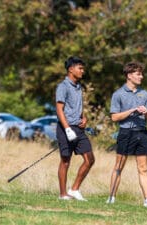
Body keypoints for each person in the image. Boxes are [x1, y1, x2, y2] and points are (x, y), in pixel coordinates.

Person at [106, 61, 147, 208]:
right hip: (125, 133)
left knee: (143, 168)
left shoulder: (145, 94)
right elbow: (114, 117)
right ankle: (111, 198)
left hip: (142, 133)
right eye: (138, 74)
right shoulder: (118, 94)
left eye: (141, 74)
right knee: (119, 167)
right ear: (129, 75)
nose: (141, 77)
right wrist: (132, 111)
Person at [55, 56, 95, 200]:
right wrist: (67, 129)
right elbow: (59, 109)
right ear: (71, 69)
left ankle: (74, 189)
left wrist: (84, 119)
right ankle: (63, 194)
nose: (82, 71)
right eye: (80, 68)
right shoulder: (63, 87)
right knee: (66, 160)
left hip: (78, 128)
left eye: (83, 68)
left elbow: (78, 107)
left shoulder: (78, 87)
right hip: (65, 128)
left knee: (90, 159)